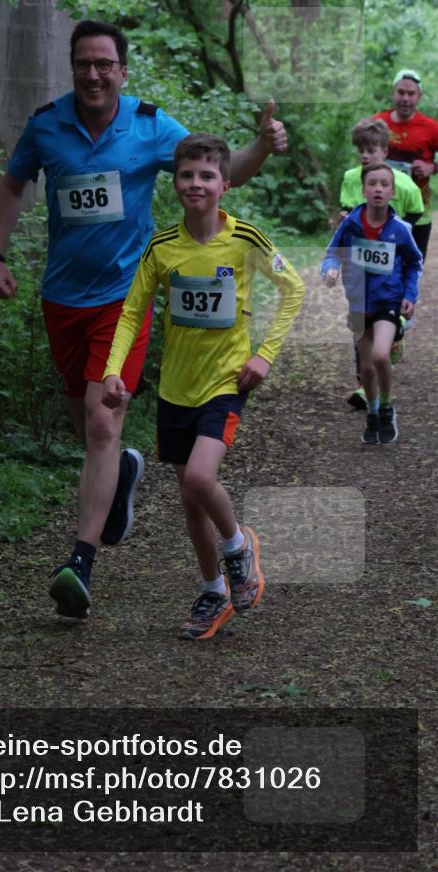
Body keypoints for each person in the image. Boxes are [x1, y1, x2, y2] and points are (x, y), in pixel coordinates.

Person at [0, 20, 288, 620]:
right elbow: (14, 183)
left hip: (125, 299)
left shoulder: (150, 126)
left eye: (105, 64)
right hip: (62, 298)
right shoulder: (47, 125)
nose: (93, 74)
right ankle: (123, 472)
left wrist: (262, 144)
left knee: (102, 423)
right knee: (89, 428)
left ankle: (80, 561)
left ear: (123, 70)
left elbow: (218, 170)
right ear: (72, 69)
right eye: (83, 64)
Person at [97, 134, 304, 640]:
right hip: (175, 389)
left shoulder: (247, 240)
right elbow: (130, 312)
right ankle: (213, 589)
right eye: (187, 175)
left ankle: (237, 548)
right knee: (190, 500)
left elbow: (293, 289)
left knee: (197, 480)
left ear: (225, 184)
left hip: (225, 381)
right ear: (175, 183)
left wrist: (264, 354)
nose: (196, 183)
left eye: (207, 175)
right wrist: (112, 369)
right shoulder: (162, 248)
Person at [321, 163, 423, 445]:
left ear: (392, 192)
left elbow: (414, 263)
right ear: (363, 189)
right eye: (372, 184)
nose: (378, 189)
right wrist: (330, 269)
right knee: (366, 368)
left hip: (387, 302)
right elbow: (332, 253)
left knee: (380, 356)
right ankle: (373, 412)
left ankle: (388, 407)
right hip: (358, 302)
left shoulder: (400, 229)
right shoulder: (350, 225)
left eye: (384, 184)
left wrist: (409, 296)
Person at [338, 117, 423, 409]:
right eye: (361, 149)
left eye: (371, 149)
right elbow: (348, 215)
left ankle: (397, 329)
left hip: (394, 268)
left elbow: (417, 217)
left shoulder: (404, 184)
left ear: (384, 151)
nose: (365, 155)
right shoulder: (351, 178)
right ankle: (364, 383)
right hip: (360, 265)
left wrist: (407, 271)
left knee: (387, 318)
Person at [373, 69, 438, 261]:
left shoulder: (431, 128)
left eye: (411, 94)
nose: (405, 98)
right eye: (401, 92)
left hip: (417, 211)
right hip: (381, 209)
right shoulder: (377, 123)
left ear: (419, 96)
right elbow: (363, 155)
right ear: (393, 92)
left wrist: (432, 167)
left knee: (411, 268)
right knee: (379, 269)